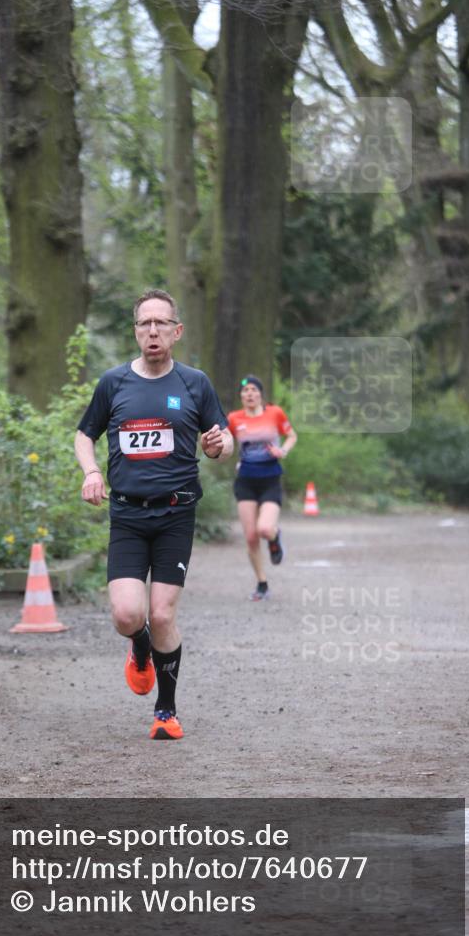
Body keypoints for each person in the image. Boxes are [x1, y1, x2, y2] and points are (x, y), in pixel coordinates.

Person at [74, 289, 233, 740]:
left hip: (175, 515)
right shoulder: (114, 383)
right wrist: (90, 471)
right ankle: (139, 649)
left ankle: (166, 711)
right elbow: (84, 435)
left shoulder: (194, 383)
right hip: (126, 514)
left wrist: (219, 445)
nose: (153, 331)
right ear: (136, 332)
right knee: (128, 615)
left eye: (161, 323)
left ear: (176, 331)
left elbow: (222, 437)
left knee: (162, 614)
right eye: (145, 324)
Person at [227, 376, 297, 600]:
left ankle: (275, 538)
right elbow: (225, 441)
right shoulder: (234, 418)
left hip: (270, 479)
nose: (249, 394)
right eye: (245, 390)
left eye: (253, 390)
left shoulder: (274, 413)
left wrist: (282, 451)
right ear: (241, 395)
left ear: (260, 394)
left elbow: (291, 436)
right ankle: (262, 583)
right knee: (250, 537)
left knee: (264, 529)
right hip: (246, 480)